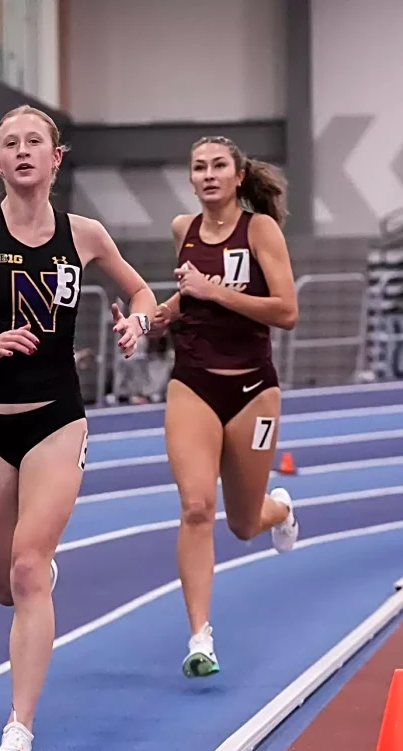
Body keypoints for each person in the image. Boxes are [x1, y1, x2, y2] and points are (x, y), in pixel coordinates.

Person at [0, 104, 156, 751]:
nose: (22, 151)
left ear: (56, 158)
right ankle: (33, 575)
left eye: (34, 142)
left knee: (25, 570)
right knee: (2, 584)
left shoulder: (86, 234)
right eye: (10, 143)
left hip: (56, 418)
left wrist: (139, 324)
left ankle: (19, 728)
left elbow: (141, 293)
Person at [149, 136, 300, 678]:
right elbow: (187, 298)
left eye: (219, 166)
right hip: (192, 384)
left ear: (238, 177)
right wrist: (153, 319)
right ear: (191, 179)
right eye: (199, 167)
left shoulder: (260, 230)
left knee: (241, 523)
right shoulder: (182, 230)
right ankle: (200, 636)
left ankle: (279, 509)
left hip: (253, 391)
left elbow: (285, 311)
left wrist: (214, 292)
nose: (208, 174)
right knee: (196, 508)